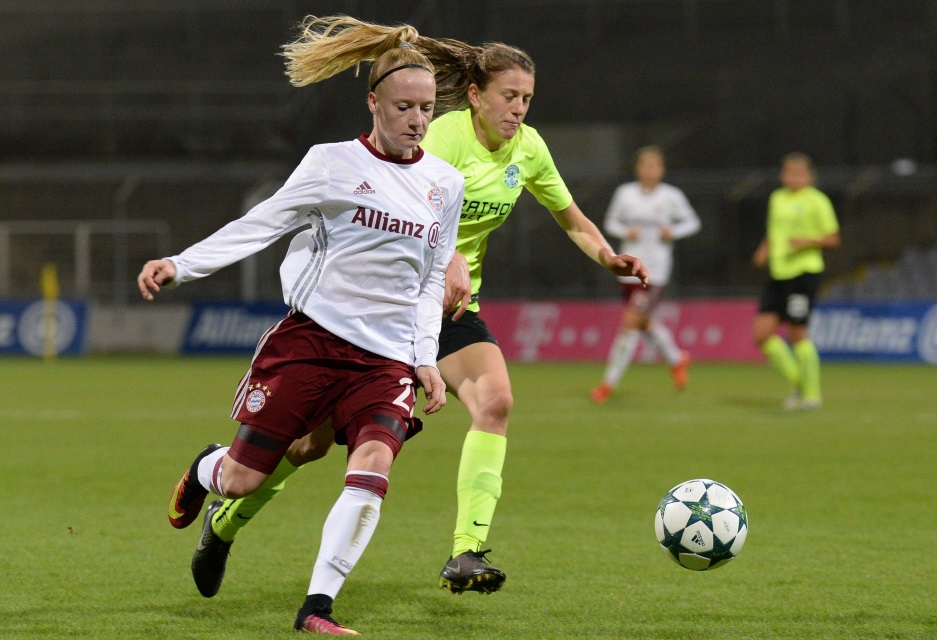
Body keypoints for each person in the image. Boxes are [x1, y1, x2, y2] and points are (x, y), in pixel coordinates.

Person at [187, 14, 649, 603]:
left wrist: (608, 257)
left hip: (451, 315)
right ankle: (224, 524)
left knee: (497, 400)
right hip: (387, 312)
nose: (520, 110)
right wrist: (450, 255)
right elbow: (404, 198)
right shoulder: (439, 136)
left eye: (528, 99)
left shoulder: (528, 148)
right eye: (510, 96)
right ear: (477, 97)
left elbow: (571, 217)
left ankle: (467, 549)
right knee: (309, 446)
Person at [140, 38, 463, 636]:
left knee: (372, 470)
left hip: (385, 361)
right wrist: (181, 264)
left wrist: (425, 360)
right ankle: (205, 469)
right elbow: (260, 225)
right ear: (373, 103)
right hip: (313, 343)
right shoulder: (332, 163)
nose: (417, 120)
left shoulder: (446, 184)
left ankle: (317, 607)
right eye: (403, 107)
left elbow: (428, 283)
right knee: (246, 477)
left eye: (427, 109)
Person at [590, 145, 701, 404]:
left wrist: (672, 232)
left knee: (630, 321)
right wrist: (624, 231)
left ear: (662, 170)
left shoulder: (671, 196)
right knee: (642, 321)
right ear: (637, 168)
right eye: (645, 165)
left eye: (655, 165)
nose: (650, 170)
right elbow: (610, 222)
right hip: (628, 268)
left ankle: (608, 384)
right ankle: (677, 359)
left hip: (656, 270)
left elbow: (692, 222)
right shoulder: (625, 193)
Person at [751, 152, 840, 410]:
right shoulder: (777, 198)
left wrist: (807, 242)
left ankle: (812, 394)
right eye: (789, 172)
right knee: (761, 334)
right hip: (778, 273)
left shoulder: (817, 201)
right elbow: (774, 230)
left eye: (799, 172)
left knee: (797, 331)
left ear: (809, 176)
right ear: (782, 175)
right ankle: (799, 381)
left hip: (804, 272)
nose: (793, 176)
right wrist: (764, 249)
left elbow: (833, 238)